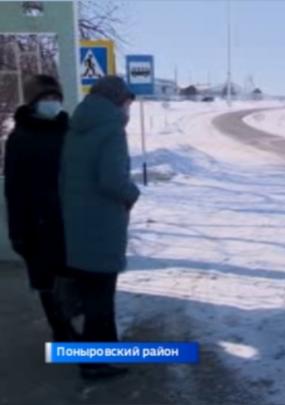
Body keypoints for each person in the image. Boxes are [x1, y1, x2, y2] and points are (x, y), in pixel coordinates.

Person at [60, 76, 140, 380]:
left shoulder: (76, 126)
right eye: (127, 103)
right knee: (100, 301)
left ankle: (93, 355)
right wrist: (133, 194)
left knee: (89, 294)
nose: (128, 109)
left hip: (77, 224)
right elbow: (112, 179)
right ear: (117, 101)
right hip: (102, 226)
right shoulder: (112, 130)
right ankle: (96, 363)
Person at [4, 74, 76, 342]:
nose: (52, 103)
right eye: (46, 98)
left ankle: (70, 326)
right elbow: (13, 189)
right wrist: (17, 232)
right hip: (37, 223)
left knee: (70, 277)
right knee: (47, 281)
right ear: (33, 102)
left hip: (69, 219)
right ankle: (62, 332)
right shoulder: (20, 137)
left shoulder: (67, 130)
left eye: (56, 98)